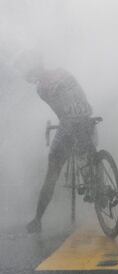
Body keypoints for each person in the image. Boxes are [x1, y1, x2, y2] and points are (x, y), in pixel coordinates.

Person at [14, 51, 95, 233]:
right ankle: (94, 182)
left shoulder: (41, 88)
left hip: (69, 126)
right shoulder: (63, 72)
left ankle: (37, 219)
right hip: (88, 119)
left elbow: (62, 113)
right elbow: (80, 96)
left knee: (53, 170)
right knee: (88, 150)